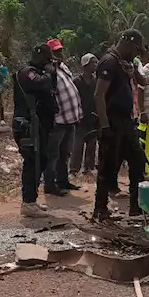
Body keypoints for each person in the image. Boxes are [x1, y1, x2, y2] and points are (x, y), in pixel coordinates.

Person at [93, 29, 148, 222]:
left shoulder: (125, 64)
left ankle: (136, 208)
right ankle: (100, 209)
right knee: (108, 166)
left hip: (126, 121)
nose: (136, 54)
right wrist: (105, 126)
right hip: (112, 121)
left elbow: (143, 81)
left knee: (138, 162)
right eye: (135, 49)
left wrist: (133, 70)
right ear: (126, 43)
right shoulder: (109, 62)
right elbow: (99, 95)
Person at [13, 44, 57, 218]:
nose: (48, 63)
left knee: (41, 160)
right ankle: (28, 202)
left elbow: (51, 87)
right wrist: (49, 72)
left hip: (38, 126)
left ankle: (32, 200)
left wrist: (50, 72)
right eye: (47, 60)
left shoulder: (43, 73)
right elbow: (41, 84)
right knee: (33, 161)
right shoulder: (27, 72)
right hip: (27, 126)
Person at [46, 40, 83, 192]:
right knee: (53, 154)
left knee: (65, 153)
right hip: (58, 119)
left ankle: (63, 181)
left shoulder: (64, 67)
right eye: (55, 52)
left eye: (60, 51)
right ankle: (50, 184)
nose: (59, 54)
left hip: (70, 118)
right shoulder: (47, 71)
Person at [70, 54, 100, 177]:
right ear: (85, 65)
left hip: (93, 116)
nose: (95, 65)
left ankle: (89, 167)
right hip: (80, 117)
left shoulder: (96, 81)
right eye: (93, 63)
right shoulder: (77, 81)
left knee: (92, 144)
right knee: (78, 144)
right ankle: (74, 169)